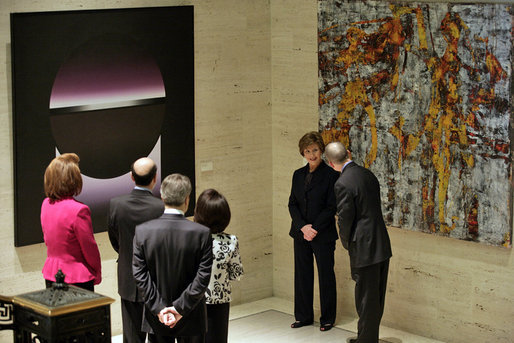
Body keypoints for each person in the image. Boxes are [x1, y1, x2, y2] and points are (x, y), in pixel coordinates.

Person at [325, 142, 392, 343]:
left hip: (364, 246)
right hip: (381, 242)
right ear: (349, 154)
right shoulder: (367, 174)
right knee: (375, 297)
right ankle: (367, 337)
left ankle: (366, 340)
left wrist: (346, 242)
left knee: (365, 298)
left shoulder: (342, 182)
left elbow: (346, 218)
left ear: (330, 163)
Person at [133, 173, 212, 343]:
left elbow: (140, 275)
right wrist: (179, 308)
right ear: (187, 199)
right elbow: (203, 277)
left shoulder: (142, 232)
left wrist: (160, 309)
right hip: (191, 315)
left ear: (162, 197)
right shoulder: (202, 234)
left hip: (157, 318)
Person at [108, 157, 164, 343]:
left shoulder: (117, 204)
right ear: (155, 178)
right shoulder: (162, 207)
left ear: (132, 177)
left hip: (129, 275)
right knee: (159, 336)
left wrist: (128, 255)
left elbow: (115, 240)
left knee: (131, 337)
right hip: (158, 281)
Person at [288, 131, 339, 331]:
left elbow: (331, 207)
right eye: (307, 151)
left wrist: (314, 228)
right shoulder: (297, 175)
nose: (312, 154)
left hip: (322, 234)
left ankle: (327, 318)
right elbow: (292, 204)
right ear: (303, 152)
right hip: (300, 233)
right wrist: (303, 226)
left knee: (326, 275)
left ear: (321, 150)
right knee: (302, 275)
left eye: (315, 150)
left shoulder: (332, 175)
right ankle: (303, 316)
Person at [40, 153, 101, 291]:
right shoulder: (79, 210)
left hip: (51, 274)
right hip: (77, 277)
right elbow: (89, 248)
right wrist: (97, 271)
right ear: (73, 180)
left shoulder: (46, 204)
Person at [194, 189, 244, 343]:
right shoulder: (231, 241)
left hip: (193, 300)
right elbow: (237, 274)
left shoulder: (191, 237)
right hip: (220, 301)